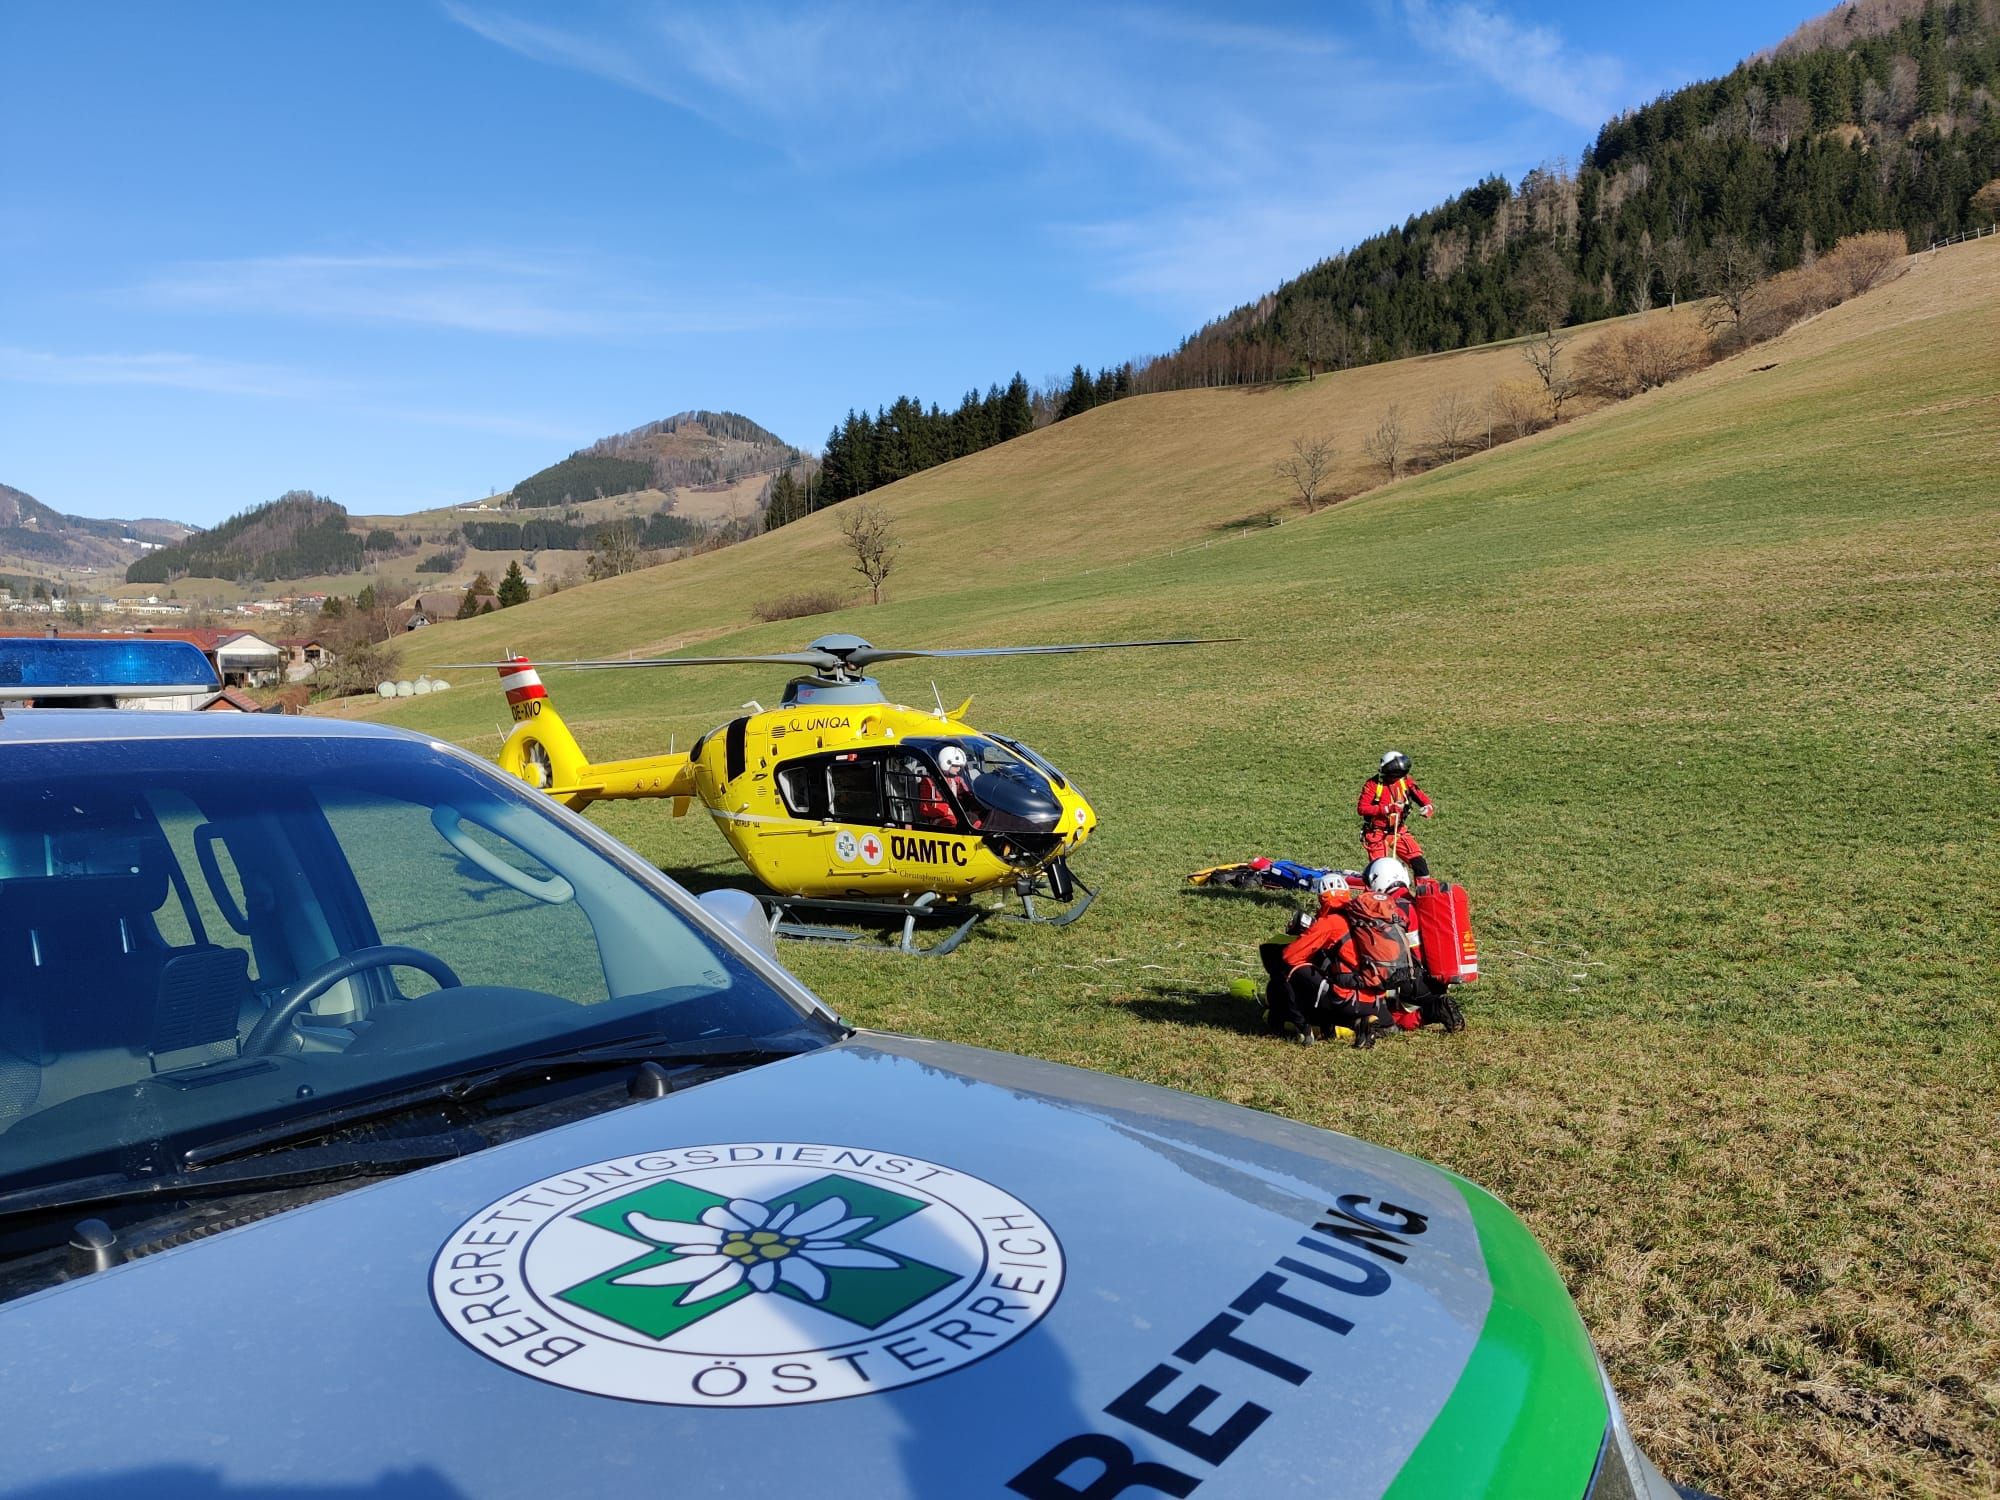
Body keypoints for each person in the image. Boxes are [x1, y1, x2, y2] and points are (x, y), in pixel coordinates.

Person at [1272, 883, 1392, 1047]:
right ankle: (1360, 1023)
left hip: (1348, 999)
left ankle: (1304, 1029)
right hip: (1377, 999)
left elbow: (1290, 955)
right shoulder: (1363, 918)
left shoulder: (1331, 922)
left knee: (1291, 968)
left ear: (1322, 898)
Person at [1357, 750, 1434, 878]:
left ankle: (1424, 893)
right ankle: (1376, 897)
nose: (1397, 779)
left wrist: (1427, 806)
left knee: (1419, 864)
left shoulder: (1405, 781)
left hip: (1398, 831)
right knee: (1379, 872)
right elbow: (1362, 809)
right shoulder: (1372, 785)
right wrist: (1388, 809)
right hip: (1377, 833)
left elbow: (1418, 795)